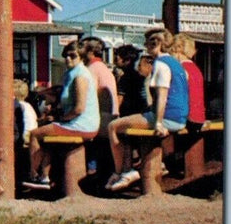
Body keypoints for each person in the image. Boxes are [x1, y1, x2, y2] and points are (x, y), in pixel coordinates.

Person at [105, 28, 190, 192]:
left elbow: (162, 95)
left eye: (148, 44)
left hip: (166, 117)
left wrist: (158, 122)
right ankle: (142, 166)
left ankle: (123, 171)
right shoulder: (178, 65)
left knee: (113, 127)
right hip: (180, 118)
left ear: (157, 44)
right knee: (127, 128)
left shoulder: (160, 64)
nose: (146, 47)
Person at [23, 42, 100, 190]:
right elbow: (60, 91)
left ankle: (33, 174)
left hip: (82, 124)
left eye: (73, 56)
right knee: (45, 136)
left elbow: (79, 108)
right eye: (66, 55)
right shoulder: (70, 74)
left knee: (34, 135)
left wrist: (61, 119)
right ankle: (44, 177)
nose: (68, 59)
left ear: (82, 57)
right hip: (75, 123)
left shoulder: (81, 76)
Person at [79, 36, 119, 175]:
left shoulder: (92, 69)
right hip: (110, 115)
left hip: (101, 117)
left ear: (90, 52)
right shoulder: (103, 68)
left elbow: (89, 95)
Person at [170, 32, 206, 134]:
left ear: (178, 49)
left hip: (186, 120)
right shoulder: (196, 69)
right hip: (199, 118)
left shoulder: (179, 69)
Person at [114, 44, 147, 117]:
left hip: (127, 113)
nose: (116, 58)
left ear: (127, 60)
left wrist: (114, 114)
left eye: (120, 56)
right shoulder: (139, 76)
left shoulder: (125, 77)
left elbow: (120, 98)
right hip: (139, 112)